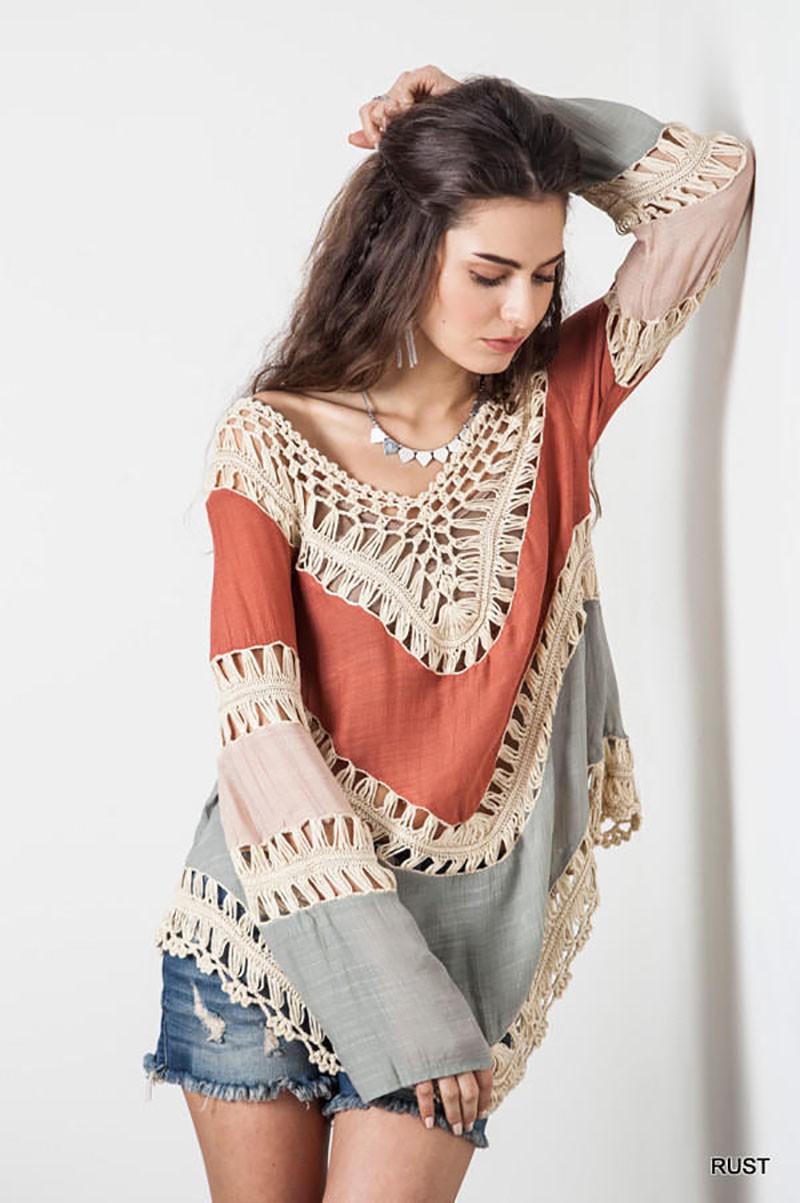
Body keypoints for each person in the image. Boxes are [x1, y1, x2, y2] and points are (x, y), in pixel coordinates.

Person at [142, 65, 755, 1202]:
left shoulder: (555, 405)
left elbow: (710, 191)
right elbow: (260, 733)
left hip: (459, 933)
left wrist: (492, 116)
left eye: (545, 274)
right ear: (401, 243)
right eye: (488, 273)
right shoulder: (270, 442)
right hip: (264, 925)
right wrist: (395, 1002)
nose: (522, 311)